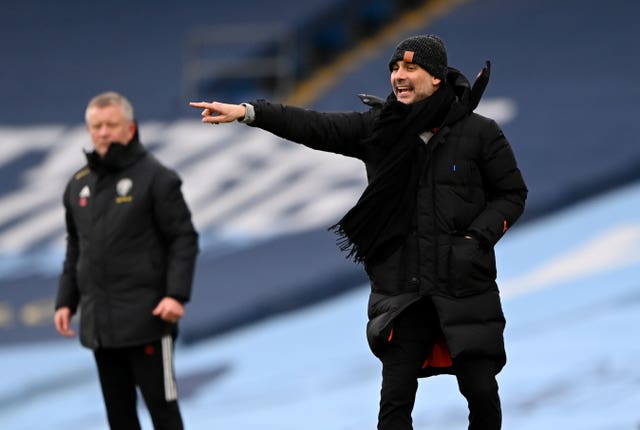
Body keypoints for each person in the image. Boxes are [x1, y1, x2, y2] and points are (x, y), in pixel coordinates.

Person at [190, 34, 527, 430]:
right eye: (394, 68)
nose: (399, 76)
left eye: (410, 68)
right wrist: (250, 113)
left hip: (464, 288)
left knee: (482, 395)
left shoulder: (481, 132)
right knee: (393, 408)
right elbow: (314, 126)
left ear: (436, 77)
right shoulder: (378, 130)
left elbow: (511, 194)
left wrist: (476, 239)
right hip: (405, 292)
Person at [54, 91, 199, 430]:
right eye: (96, 126)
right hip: (101, 325)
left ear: (130, 128)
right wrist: (66, 300)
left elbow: (183, 238)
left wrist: (176, 295)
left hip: (148, 320)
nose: (103, 132)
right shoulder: (78, 185)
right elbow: (76, 246)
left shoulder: (157, 178)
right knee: (119, 418)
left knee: (163, 413)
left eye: (111, 125)